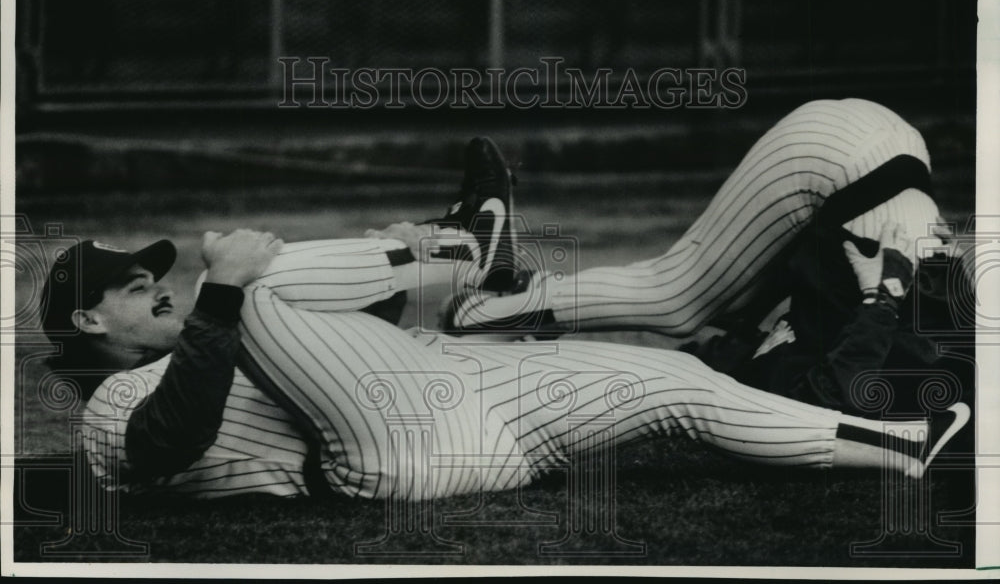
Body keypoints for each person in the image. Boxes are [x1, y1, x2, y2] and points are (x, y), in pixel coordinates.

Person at [41, 138, 967, 502]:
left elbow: (357, 346)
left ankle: (902, 441)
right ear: (87, 318)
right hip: (373, 453)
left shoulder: (220, 331)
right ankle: (462, 246)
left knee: (687, 385)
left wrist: (399, 274)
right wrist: (230, 294)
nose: (157, 288)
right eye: (132, 286)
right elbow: (171, 439)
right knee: (265, 278)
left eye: (155, 278)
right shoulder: (108, 408)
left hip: (470, 416)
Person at [444, 99, 957, 340]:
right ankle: (475, 314)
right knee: (677, 302)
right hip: (843, 162)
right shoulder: (949, 376)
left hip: (878, 155)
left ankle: (528, 294)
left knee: (730, 314)